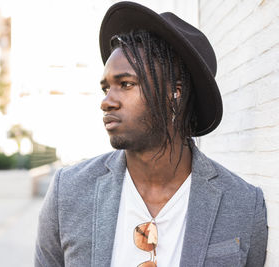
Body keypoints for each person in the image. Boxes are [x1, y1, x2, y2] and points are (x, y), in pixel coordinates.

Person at [35, 2, 268, 267]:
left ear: (175, 94)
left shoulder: (243, 204)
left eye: (125, 84)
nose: (107, 101)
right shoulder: (68, 191)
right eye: (106, 88)